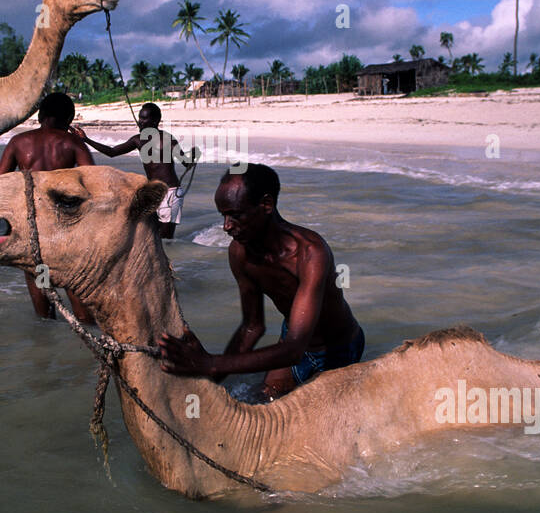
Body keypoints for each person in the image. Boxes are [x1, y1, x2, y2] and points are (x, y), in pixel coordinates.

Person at [157, 163, 364, 401]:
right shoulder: (240, 253)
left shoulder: (310, 253)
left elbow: (294, 349)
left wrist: (212, 363)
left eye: (235, 214)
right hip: (293, 340)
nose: (226, 226)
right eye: (223, 215)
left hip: (337, 349)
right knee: (264, 401)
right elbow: (252, 327)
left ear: (266, 204)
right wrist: (210, 376)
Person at [0, 92, 95, 323]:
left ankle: (45, 340)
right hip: (64, 227)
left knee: (41, 281)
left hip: (31, 229)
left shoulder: (19, 142)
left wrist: (9, 225)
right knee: (73, 282)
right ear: (68, 118)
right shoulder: (72, 143)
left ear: (40, 115)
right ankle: (89, 338)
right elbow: (93, 183)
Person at [73, 102, 196, 239]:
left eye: (144, 119)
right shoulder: (138, 140)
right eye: (140, 118)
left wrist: (192, 159)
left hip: (171, 192)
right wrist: (86, 139)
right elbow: (112, 152)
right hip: (153, 192)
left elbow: (186, 163)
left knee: (165, 238)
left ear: (155, 121)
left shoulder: (167, 139)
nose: (140, 122)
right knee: (150, 236)